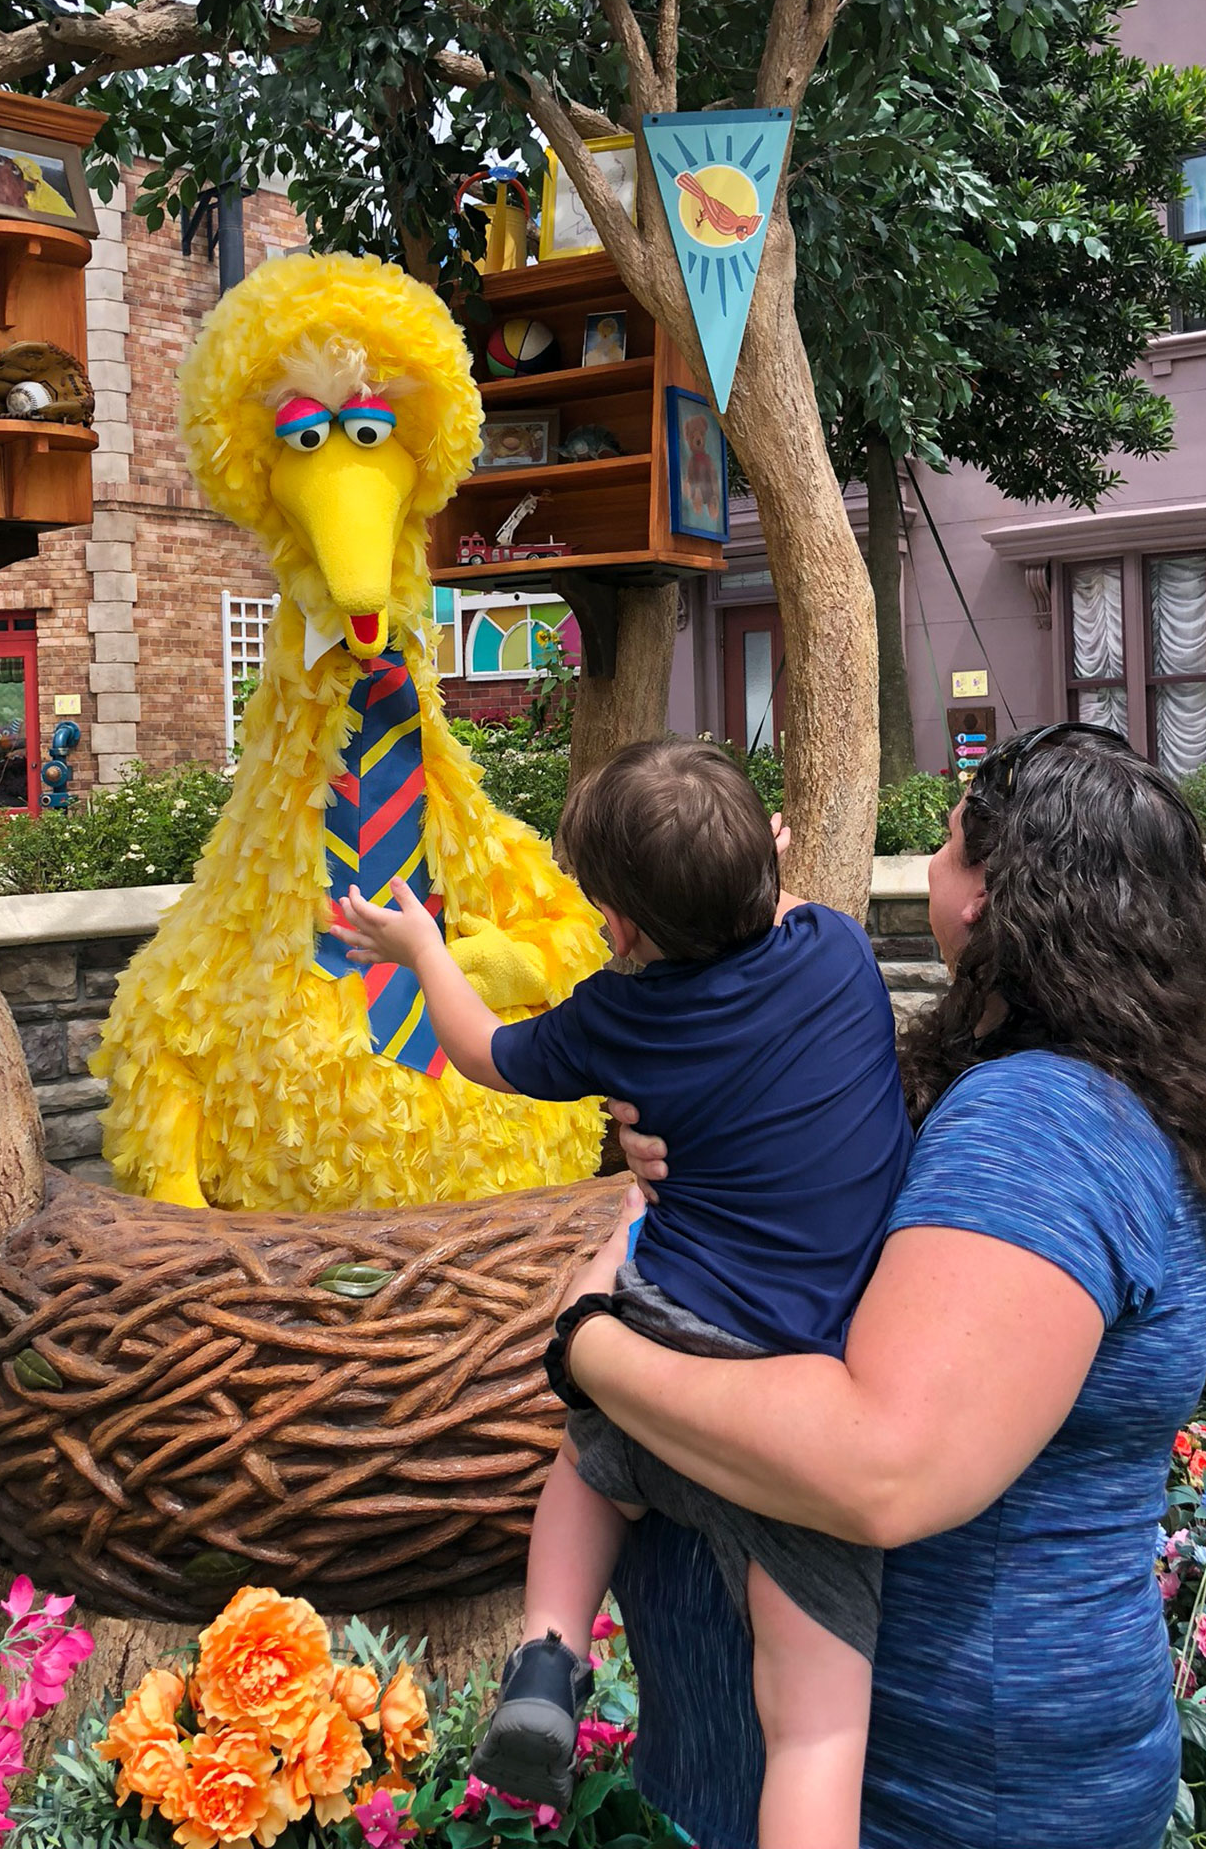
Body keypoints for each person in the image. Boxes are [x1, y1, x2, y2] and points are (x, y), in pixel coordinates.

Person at [555, 720, 1206, 1849]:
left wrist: (589, 1344)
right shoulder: (1104, 1093)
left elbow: (883, 1468)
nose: (929, 873)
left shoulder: (1037, 1125)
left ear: (994, 897)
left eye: (947, 848)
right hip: (980, 1766)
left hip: (945, 1789)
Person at [330, 737, 909, 1847]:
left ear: (628, 927)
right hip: (803, 1394)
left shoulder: (616, 1016)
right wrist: (747, 868)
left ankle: (550, 1654)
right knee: (816, 1732)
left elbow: (483, 1050)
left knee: (588, 1468)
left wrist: (420, 950)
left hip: (666, 1340)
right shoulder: (834, 951)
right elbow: (767, 905)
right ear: (766, 874)